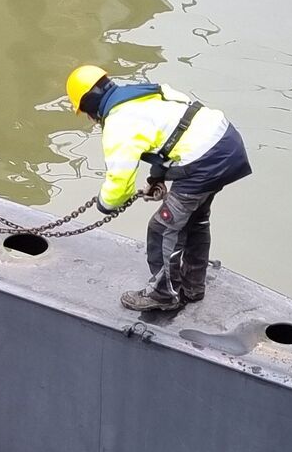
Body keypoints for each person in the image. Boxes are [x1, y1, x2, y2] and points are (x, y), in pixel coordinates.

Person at [66, 65, 252, 314]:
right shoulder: (143, 93)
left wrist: (105, 204)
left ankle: (163, 294)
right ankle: (193, 286)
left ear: (89, 108)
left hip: (203, 161)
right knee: (195, 220)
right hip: (226, 142)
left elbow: (120, 180)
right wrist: (157, 179)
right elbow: (175, 132)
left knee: (162, 227)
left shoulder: (118, 124)